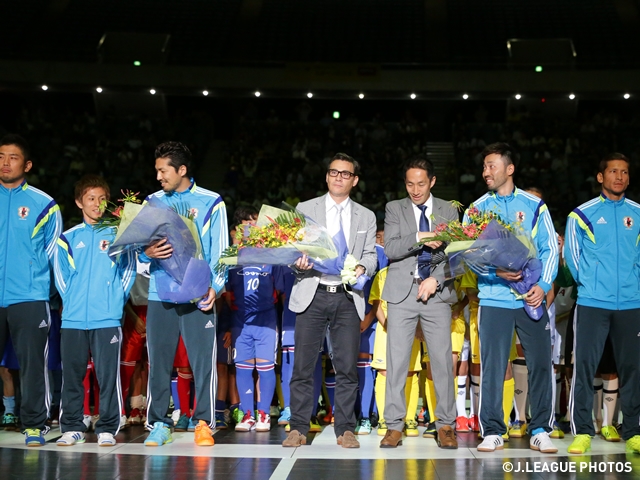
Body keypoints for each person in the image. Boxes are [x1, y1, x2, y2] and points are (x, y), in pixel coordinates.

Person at [464, 142, 558, 454]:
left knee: (541, 364)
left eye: (491, 165)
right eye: (484, 166)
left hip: (531, 299)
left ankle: (541, 428)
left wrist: (543, 286)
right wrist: (495, 271)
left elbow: (550, 249)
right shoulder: (476, 209)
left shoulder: (534, 206)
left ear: (509, 168)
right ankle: (492, 430)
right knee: (492, 366)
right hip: (494, 300)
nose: (485, 172)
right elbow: (467, 255)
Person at [282, 153, 377, 449]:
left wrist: (363, 267)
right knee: (303, 366)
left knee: (347, 366)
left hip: (348, 297)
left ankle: (345, 429)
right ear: (326, 176)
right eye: (333, 172)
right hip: (312, 292)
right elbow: (290, 250)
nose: (338, 177)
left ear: (355, 180)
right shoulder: (304, 208)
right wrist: (296, 262)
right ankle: (298, 427)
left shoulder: (366, 216)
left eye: (345, 174)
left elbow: (372, 256)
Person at [140, 141, 228, 447]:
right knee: (159, 361)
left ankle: (203, 422)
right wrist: (147, 252)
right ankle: (160, 423)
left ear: (182, 170)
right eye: (157, 171)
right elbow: (138, 251)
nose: (159, 177)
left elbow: (221, 252)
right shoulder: (152, 201)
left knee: (203, 361)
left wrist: (215, 288)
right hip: (160, 292)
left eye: (163, 171)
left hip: (197, 294)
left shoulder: (212, 202)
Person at [379, 155, 459, 449]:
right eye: (410, 184)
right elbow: (391, 248)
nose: (415, 190)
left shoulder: (449, 210)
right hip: (402, 293)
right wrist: (420, 236)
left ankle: (446, 425)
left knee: (441, 363)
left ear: (432, 182)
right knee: (397, 364)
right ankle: (394, 426)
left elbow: (456, 253)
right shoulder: (394, 208)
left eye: (421, 184)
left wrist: (436, 279)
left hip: (436, 294)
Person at [564, 152, 640, 454]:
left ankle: (633, 430)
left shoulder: (637, 213)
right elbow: (572, 256)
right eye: (613, 171)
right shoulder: (581, 215)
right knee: (584, 366)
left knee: (632, 368)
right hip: (593, 301)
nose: (619, 177)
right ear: (601, 177)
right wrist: (592, 286)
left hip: (632, 303)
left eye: (624, 172)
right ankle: (582, 431)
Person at [53, 174, 136, 447]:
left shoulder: (118, 235)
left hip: (107, 317)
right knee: (73, 375)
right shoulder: (67, 238)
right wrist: (73, 301)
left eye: (102, 198)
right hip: (73, 319)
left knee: (107, 376)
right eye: (91, 198)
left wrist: (115, 301)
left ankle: (108, 427)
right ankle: (72, 426)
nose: (97, 204)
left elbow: (128, 272)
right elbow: (61, 278)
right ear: (79, 202)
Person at [0, 134, 63, 446]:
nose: (5, 162)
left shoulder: (45, 205)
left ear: (26, 164)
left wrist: (61, 296)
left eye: (12, 157)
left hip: (30, 297)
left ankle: (35, 425)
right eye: (1, 156)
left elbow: (56, 256)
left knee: (32, 365)